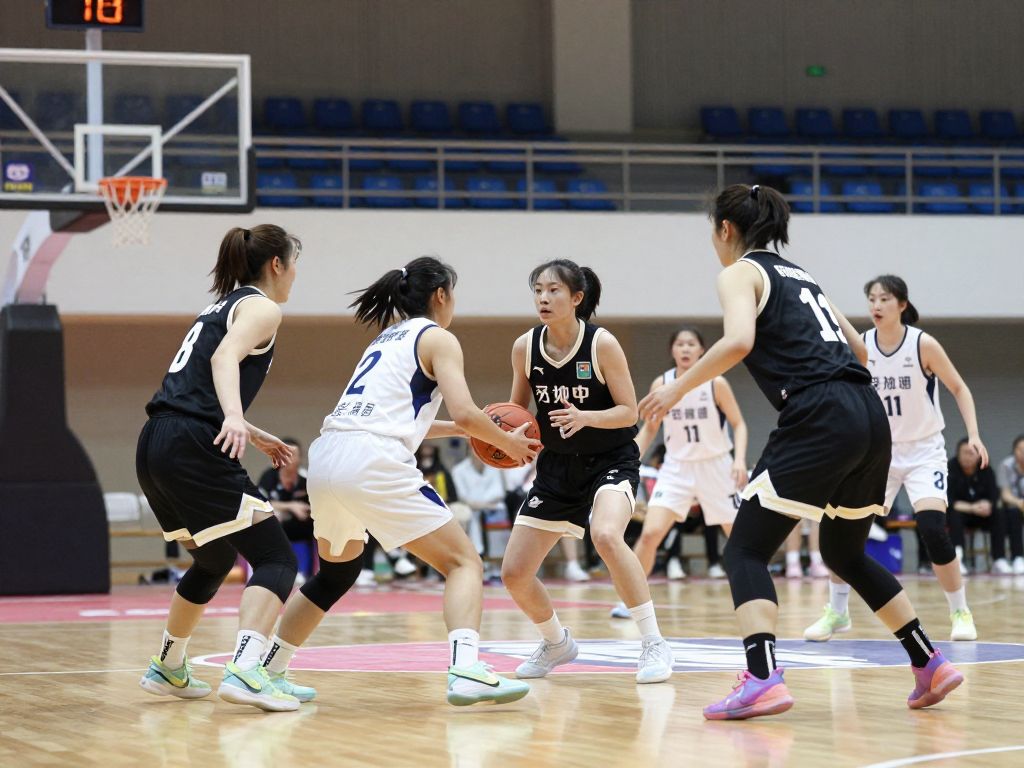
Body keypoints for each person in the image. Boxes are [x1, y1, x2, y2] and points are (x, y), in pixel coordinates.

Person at [640, 184, 962, 720]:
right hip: (868, 411)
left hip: (819, 413)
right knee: (844, 552)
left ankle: (763, 677)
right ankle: (928, 662)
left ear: (726, 229)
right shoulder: (804, 276)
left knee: (743, 551)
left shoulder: (740, 272)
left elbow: (740, 340)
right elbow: (860, 348)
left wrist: (677, 387)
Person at [260, 256, 539, 707]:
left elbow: (411, 420)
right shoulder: (438, 338)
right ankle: (467, 669)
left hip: (329, 454)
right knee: (463, 562)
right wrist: (506, 441)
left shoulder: (385, 340)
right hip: (372, 460)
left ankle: (266, 670)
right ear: (442, 295)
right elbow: (468, 412)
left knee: (334, 574)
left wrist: (468, 430)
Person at [137, 225, 306, 712]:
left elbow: (192, 388)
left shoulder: (220, 306)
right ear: (277, 264)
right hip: (192, 444)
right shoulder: (262, 306)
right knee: (277, 558)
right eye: (294, 263)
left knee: (213, 560)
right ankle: (247, 672)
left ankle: (168, 666)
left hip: (156, 440)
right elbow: (224, 356)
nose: (295, 274)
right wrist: (234, 417)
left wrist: (250, 429)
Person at [500, 259, 674, 684]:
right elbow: (518, 413)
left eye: (554, 290)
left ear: (576, 298)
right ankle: (557, 642)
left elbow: (628, 413)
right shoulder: (525, 346)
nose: (543, 297)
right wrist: (510, 440)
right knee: (514, 573)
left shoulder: (601, 344)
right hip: (558, 467)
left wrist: (586, 417)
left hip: (611, 458)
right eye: (538, 289)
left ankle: (653, 641)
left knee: (607, 534)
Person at [804, 275, 986, 643]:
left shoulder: (923, 344)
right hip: (877, 451)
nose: (876, 305)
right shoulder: (861, 345)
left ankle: (960, 611)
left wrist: (976, 435)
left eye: (884, 299)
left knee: (933, 528)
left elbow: (959, 388)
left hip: (923, 450)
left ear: (902, 304)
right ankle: (837, 611)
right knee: (842, 529)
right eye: (871, 299)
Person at [610, 326, 748, 618]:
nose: (685, 349)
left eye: (691, 344)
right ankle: (630, 602)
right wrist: (628, 457)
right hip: (676, 468)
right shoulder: (663, 383)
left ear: (702, 350)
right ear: (673, 350)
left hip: (716, 464)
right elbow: (650, 426)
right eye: (680, 344)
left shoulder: (716, 383)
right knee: (650, 535)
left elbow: (739, 424)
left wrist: (739, 461)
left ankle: (750, 596)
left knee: (738, 538)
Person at [945, 437, 1008, 573]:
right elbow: (948, 501)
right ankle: (958, 559)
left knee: (999, 513)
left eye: (971, 453)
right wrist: (972, 508)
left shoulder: (986, 470)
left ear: (979, 455)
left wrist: (989, 504)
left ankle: (999, 559)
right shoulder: (950, 468)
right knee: (954, 515)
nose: (967, 457)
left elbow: (994, 496)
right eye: (964, 452)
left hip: (982, 515)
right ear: (958, 454)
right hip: (960, 514)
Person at [258, 437, 314, 582]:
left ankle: (304, 570)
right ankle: (271, 567)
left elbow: (317, 503)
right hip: (276, 526)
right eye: (285, 454)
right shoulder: (269, 476)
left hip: (303, 525)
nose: (289, 459)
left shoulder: (306, 478)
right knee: (273, 515)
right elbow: (260, 502)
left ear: (300, 458)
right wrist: (290, 506)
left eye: (293, 454)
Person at [996, 435, 1024, 573]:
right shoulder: (1006, 465)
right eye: (1019, 449)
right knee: (1011, 513)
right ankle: (1017, 557)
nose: (1022, 453)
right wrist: (1018, 502)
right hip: (1013, 506)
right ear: (1014, 450)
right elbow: (1005, 493)